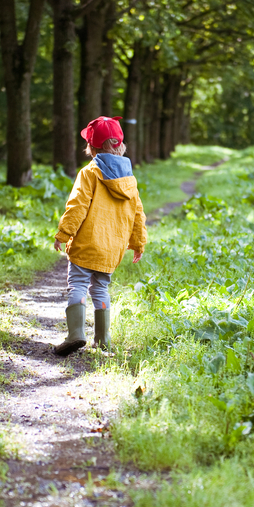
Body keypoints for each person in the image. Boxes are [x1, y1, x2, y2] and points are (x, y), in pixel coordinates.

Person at [52, 116, 147, 356]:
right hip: (111, 249)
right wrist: (138, 242)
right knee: (101, 289)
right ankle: (103, 341)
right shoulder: (130, 180)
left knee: (78, 284)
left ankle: (75, 334)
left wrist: (63, 234)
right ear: (120, 145)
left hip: (86, 244)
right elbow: (138, 213)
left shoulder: (90, 173)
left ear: (92, 147)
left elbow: (77, 206)